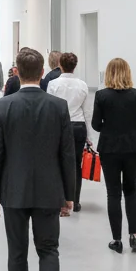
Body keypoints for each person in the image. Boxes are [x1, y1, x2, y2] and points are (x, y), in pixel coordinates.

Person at [0, 48, 75, 271]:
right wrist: (69, 194)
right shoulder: (58, 106)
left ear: (17, 73)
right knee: (49, 251)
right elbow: (67, 155)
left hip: (14, 191)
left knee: (17, 252)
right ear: (41, 74)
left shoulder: (2, 107)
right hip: (50, 191)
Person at [91, 58, 136, 253]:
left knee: (113, 193)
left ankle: (116, 240)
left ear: (108, 74)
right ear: (128, 73)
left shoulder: (102, 96)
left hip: (109, 148)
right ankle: (133, 236)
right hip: (134, 148)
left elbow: (95, 124)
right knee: (131, 191)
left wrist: (107, 126)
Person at [47, 53, 90, 212]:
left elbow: (50, 110)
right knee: (76, 165)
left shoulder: (53, 84)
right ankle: (75, 200)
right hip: (78, 126)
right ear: (75, 66)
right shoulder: (82, 85)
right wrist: (90, 137)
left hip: (59, 126)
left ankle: (60, 199)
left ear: (60, 65)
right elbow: (87, 112)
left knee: (58, 163)